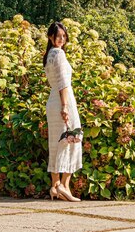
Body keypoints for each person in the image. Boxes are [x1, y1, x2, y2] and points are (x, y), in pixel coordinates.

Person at [43, 21, 82, 202]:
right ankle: (63, 187)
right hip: (63, 100)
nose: (61, 39)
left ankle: (56, 186)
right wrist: (65, 106)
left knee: (56, 143)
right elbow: (63, 83)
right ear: (51, 37)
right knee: (72, 139)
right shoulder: (58, 54)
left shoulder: (49, 55)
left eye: (64, 36)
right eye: (58, 36)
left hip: (53, 101)